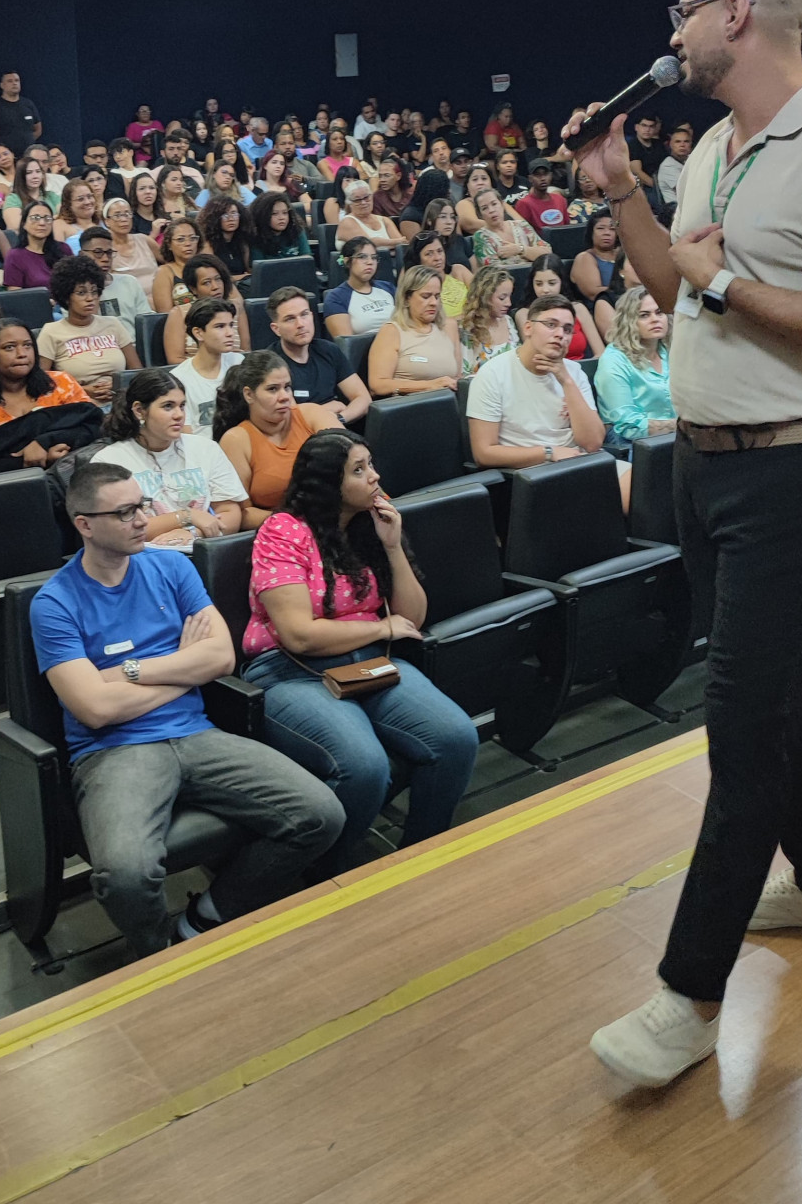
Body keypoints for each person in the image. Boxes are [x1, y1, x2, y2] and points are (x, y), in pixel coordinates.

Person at [570, 0, 802, 1090]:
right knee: (775, 694)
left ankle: (689, 993)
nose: (668, 35)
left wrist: (719, 278)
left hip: (796, 470)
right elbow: (678, 290)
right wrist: (622, 188)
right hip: (705, 463)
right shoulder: (716, 145)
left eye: (680, 12)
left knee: (734, 722)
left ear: (734, 16)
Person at [28, 461, 343, 958]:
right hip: (115, 753)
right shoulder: (54, 603)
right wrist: (182, 667)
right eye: (125, 512)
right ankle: (158, 954)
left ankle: (206, 919)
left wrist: (129, 672)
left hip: (197, 734)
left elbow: (220, 657)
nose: (143, 519)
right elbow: (94, 710)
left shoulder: (172, 567)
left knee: (320, 813)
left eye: (142, 506)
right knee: (125, 874)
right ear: (84, 524)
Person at [243, 430, 477, 869]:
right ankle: (326, 874)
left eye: (370, 464)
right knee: (365, 767)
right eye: (359, 469)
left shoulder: (371, 527)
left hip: (367, 663)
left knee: (456, 738)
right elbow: (299, 635)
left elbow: (412, 618)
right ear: (328, 484)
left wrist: (393, 548)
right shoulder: (282, 531)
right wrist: (380, 627)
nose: (375, 476)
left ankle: (419, 857)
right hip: (290, 672)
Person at [95, 367, 248, 542]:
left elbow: (231, 513)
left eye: (182, 406)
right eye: (168, 406)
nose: (179, 415)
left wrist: (193, 534)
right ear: (139, 410)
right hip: (142, 557)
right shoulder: (109, 462)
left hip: (200, 550)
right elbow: (121, 529)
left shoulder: (206, 449)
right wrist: (186, 516)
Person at [466, 292, 606, 471]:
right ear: (528, 328)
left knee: (636, 481)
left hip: (580, 462)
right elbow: (483, 453)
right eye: (550, 325)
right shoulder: (493, 374)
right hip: (534, 472)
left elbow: (593, 443)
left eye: (567, 329)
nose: (560, 334)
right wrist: (548, 452)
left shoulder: (573, 372)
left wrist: (567, 383)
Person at [214, 351, 338, 524]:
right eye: (273, 389)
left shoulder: (313, 414)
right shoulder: (236, 440)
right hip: (285, 535)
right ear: (249, 395)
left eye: (287, 387)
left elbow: (353, 462)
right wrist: (295, 522)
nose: (284, 397)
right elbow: (242, 514)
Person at [0, 318, 93, 466]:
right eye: (9, 347)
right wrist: (31, 460)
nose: (22, 354)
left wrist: (44, 441)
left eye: (28, 346)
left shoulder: (61, 382)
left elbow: (92, 426)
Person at [37, 254, 140, 403]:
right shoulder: (51, 332)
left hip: (120, 401)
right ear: (66, 297)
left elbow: (136, 372)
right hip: (77, 404)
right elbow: (41, 383)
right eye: (81, 292)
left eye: (94, 291)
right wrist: (83, 390)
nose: (90, 298)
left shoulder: (113, 324)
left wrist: (119, 385)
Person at [268, 287, 370, 424]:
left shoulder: (328, 350)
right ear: (276, 329)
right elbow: (287, 420)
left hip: (337, 428)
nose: (301, 324)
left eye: (304, 314)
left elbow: (363, 398)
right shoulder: (270, 365)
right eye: (290, 319)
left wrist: (339, 418)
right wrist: (326, 410)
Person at [594, 288, 676, 444]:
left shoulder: (671, 350)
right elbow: (627, 424)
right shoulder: (614, 360)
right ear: (628, 321)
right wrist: (679, 427)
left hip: (676, 437)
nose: (655, 319)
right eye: (644, 315)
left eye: (659, 313)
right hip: (631, 443)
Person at [369, 265, 462, 398]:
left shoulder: (448, 327)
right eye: (426, 296)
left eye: (437, 296)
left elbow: (457, 377)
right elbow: (378, 385)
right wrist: (429, 386)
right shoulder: (392, 331)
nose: (433, 303)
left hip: (448, 405)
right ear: (407, 298)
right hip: (410, 408)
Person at [170, 297, 245, 433]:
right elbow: (185, 435)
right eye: (220, 326)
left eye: (231, 325)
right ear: (198, 333)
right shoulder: (179, 379)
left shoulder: (239, 363)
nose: (230, 333)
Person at [516, 255, 604, 359]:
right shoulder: (524, 314)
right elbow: (532, 356)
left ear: (561, 282)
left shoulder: (579, 309)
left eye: (552, 283)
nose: (545, 290)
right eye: (539, 284)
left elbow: (600, 354)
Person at [569, 210, 636, 335]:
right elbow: (593, 292)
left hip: (631, 307)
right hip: (601, 313)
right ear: (591, 232)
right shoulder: (585, 257)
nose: (607, 233)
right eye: (600, 228)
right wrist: (632, 290)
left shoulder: (623, 254)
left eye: (612, 229)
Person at [72, 227, 150, 330]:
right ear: (82, 255)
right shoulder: (74, 290)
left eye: (109, 253)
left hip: (133, 343)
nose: (105, 259)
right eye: (98, 252)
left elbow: (147, 322)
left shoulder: (129, 282)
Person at [323, 239, 396, 339]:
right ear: (347, 261)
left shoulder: (388, 288)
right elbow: (348, 346)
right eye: (362, 257)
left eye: (374, 258)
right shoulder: (336, 298)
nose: (370, 262)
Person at [457, 266, 517, 375]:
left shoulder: (509, 321)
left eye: (510, 296)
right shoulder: (467, 327)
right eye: (502, 298)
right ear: (485, 297)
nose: (509, 303)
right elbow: (465, 374)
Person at [402, 227, 471, 323]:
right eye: (429, 254)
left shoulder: (458, 271)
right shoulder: (417, 286)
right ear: (418, 260)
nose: (437, 258)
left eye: (440, 251)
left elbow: (482, 297)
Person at [470, 187, 547, 271]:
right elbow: (493, 270)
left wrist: (520, 249)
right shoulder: (481, 237)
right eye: (485, 208)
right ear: (480, 215)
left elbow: (546, 253)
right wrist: (531, 255)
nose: (491, 210)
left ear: (502, 205)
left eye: (494, 204)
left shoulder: (522, 225)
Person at [4, 200, 67, 289]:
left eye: (47, 219)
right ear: (24, 223)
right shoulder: (15, 256)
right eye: (35, 218)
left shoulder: (63, 249)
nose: (42, 223)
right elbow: (15, 295)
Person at [151, 217, 204, 313]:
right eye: (181, 239)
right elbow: (165, 314)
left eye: (193, 238)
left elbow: (235, 298)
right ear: (169, 244)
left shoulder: (210, 265)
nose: (188, 243)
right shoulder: (164, 272)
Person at [0, 70, 42, 154]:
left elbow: (38, 130)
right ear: (2, 85)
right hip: (6, 158)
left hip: (28, 158)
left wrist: (26, 140)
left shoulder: (28, 104)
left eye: (17, 80)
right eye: (10, 81)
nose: (14, 83)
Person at [336, 179, 403, 251]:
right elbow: (367, 243)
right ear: (350, 203)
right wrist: (395, 243)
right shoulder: (347, 222)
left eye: (366, 197)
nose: (363, 203)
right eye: (357, 200)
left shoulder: (385, 220)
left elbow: (402, 244)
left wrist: (383, 243)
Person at [199, 195, 252, 283]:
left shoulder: (242, 243)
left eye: (234, 213)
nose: (231, 219)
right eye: (225, 215)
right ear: (215, 218)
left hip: (243, 284)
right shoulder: (208, 245)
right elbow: (213, 278)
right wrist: (243, 277)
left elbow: (249, 270)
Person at [102, 196, 159, 278]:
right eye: (117, 215)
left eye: (127, 214)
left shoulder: (144, 239)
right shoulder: (106, 249)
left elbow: (169, 260)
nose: (124, 219)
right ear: (107, 221)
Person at [249, 190, 310, 263]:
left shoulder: (296, 229)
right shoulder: (256, 236)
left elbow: (306, 258)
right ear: (262, 215)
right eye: (274, 214)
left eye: (285, 213)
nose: (281, 218)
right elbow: (259, 267)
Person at [513, 160, 569, 235]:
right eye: (537, 175)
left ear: (551, 175)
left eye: (545, 174)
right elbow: (523, 233)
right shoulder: (524, 203)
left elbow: (567, 226)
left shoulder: (560, 199)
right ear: (530, 178)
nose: (542, 178)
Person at [1, 154, 59, 225]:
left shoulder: (51, 196)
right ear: (21, 176)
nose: (35, 176)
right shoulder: (13, 199)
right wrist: (52, 218)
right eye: (29, 173)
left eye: (38, 171)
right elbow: (15, 225)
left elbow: (66, 217)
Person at [54, 178, 102, 247]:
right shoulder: (59, 225)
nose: (87, 202)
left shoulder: (104, 221)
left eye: (89, 196)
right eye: (80, 199)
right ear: (69, 204)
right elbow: (57, 254)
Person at [655, 124, 694, 207]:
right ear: (671, 145)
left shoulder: (692, 160)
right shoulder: (667, 165)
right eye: (678, 141)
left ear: (691, 144)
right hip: (676, 210)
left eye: (686, 141)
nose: (682, 145)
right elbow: (687, 190)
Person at [454, 164, 498, 237]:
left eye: (484, 178)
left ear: (491, 183)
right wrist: (503, 227)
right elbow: (471, 224)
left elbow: (521, 222)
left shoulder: (500, 202)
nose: (480, 183)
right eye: (475, 179)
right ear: (467, 185)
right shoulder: (464, 203)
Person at [629, 112, 668, 188]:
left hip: (663, 181)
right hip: (644, 187)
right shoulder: (632, 145)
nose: (647, 129)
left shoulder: (659, 144)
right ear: (636, 127)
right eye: (644, 125)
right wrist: (659, 188)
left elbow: (667, 163)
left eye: (651, 126)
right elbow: (637, 172)